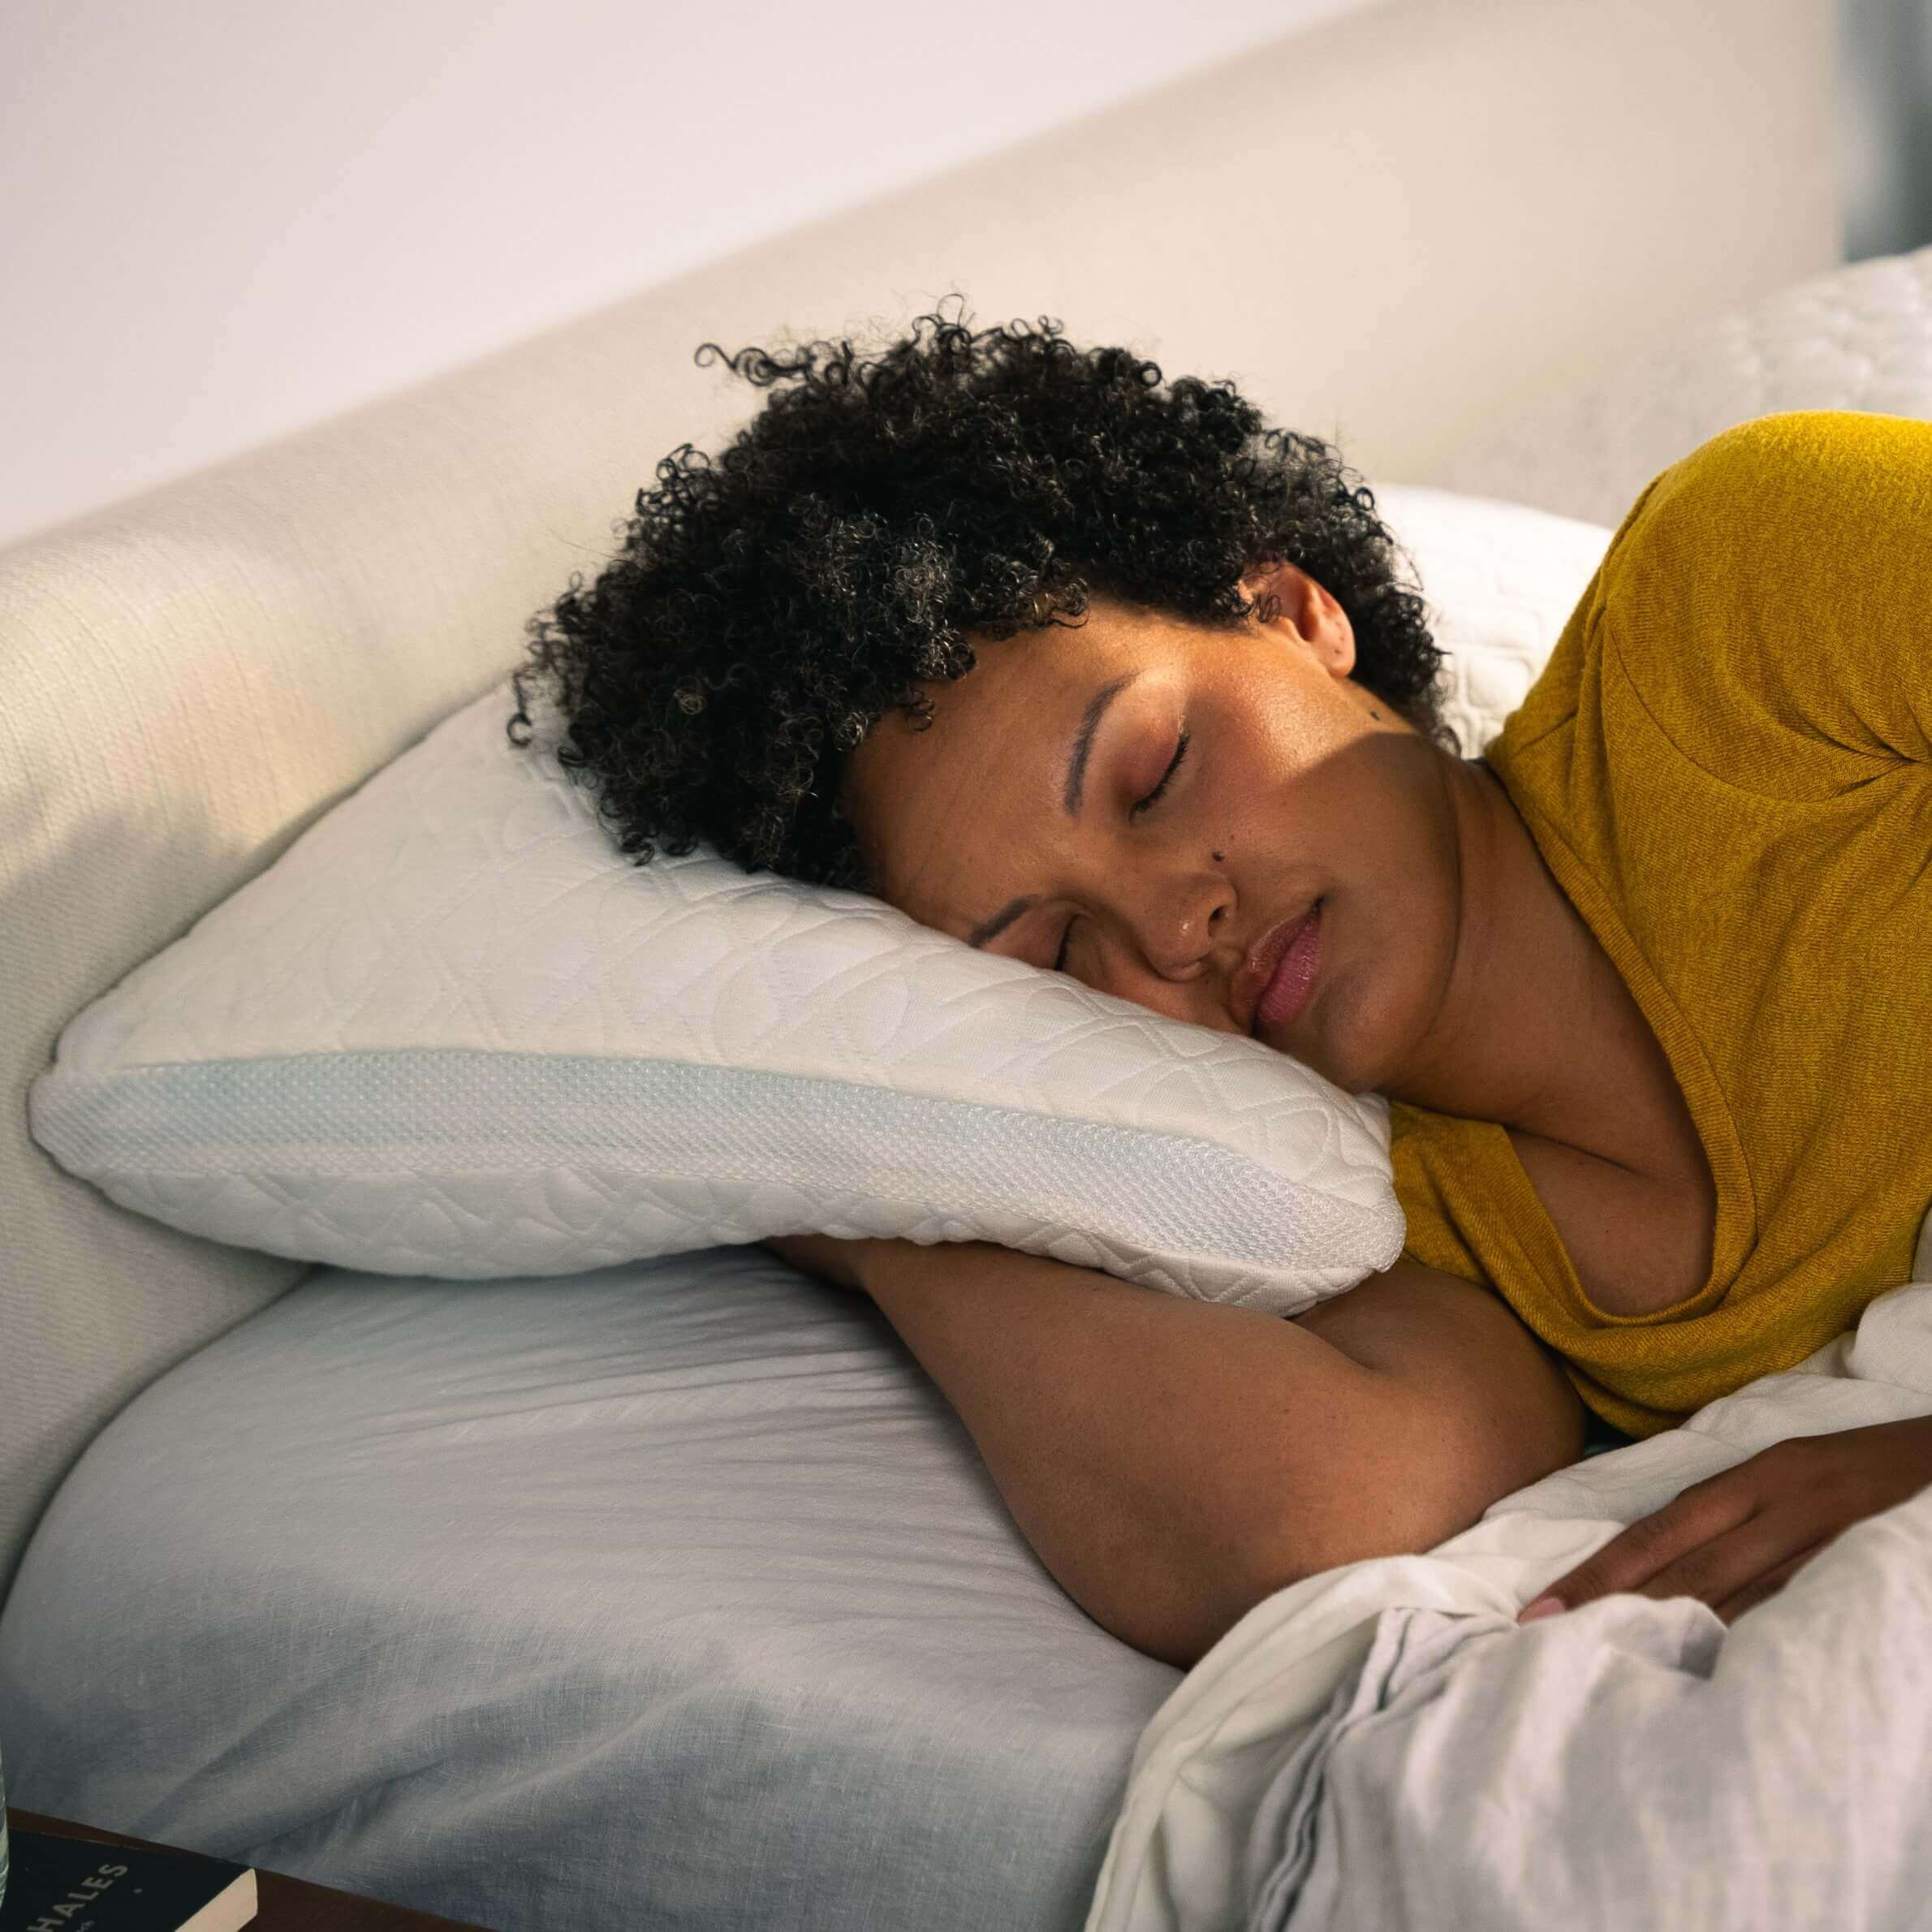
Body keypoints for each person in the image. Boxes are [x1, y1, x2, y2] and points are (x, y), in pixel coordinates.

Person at [509, 305, 1932, 1669]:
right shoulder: (1400, 1230)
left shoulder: (1741, 610)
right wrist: (872, 1220)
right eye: (1057, 950)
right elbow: (1329, 1516)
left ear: (1295, 610)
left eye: (1153, 772)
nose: (1172, 926)